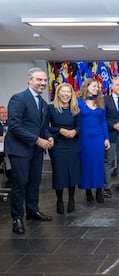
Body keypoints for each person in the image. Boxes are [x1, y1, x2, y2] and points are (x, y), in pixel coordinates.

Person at [5, 67, 54, 234]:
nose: (42, 83)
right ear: (29, 80)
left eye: (45, 80)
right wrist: (37, 140)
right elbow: (14, 126)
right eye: (39, 80)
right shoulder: (18, 99)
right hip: (20, 150)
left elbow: (43, 127)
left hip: (36, 150)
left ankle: (33, 211)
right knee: (20, 183)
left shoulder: (43, 103)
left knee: (34, 182)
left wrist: (48, 137)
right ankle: (17, 218)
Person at [47, 83, 81, 214]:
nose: (66, 94)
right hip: (58, 145)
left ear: (71, 94)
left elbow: (79, 126)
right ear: (58, 93)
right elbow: (46, 127)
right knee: (59, 173)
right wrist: (59, 130)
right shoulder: (51, 108)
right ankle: (59, 199)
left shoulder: (75, 109)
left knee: (72, 172)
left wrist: (74, 131)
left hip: (72, 144)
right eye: (63, 92)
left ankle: (71, 199)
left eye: (68, 92)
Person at [78, 78, 110, 203]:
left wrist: (106, 138)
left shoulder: (101, 102)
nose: (96, 89)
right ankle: (88, 190)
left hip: (98, 138)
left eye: (97, 87)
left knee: (98, 164)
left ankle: (99, 191)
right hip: (84, 138)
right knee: (86, 165)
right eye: (94, 86)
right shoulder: (79, 102)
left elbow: (103, 122)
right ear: (86, 87)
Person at [0, 106, 12, 181]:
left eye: (5, 112)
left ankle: (11, 174)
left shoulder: (11, 123)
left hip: (9, 147)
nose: (5, 114)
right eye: (2, 113)